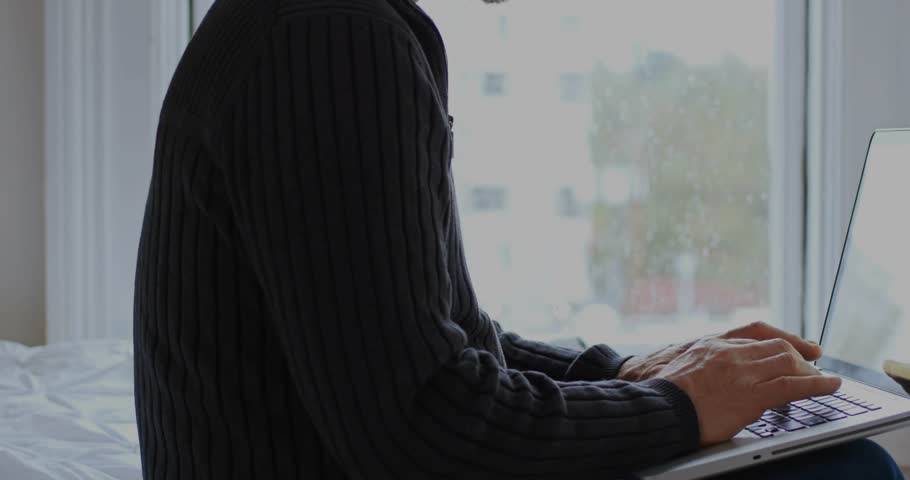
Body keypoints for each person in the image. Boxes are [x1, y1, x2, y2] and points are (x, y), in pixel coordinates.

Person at [132, 0, 904, 478]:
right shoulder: (330, 40)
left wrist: (628, 373)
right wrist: (674, 408)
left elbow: (429, 344)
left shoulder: (323, 25)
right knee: (850, 473)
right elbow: (423, 427)